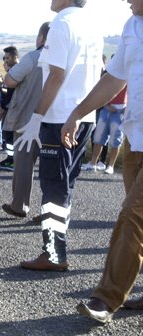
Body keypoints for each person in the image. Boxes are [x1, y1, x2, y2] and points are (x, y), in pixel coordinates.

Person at [64, 0, 143, 323]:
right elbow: (114, 79)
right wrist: (77, 113)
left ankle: (105, 299)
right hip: (135, 139)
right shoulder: (131, 27)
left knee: (132, 214)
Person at [14, 0, 104, 271]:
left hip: (58, 117)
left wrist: (37, 116)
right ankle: (56, 249)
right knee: (66, 184)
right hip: (83, 115)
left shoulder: (62, 23)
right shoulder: (92, 25)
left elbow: (56, 76)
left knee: (53, 187)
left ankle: (54, 254)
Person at [0, 22, 50, 219]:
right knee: (51, 169)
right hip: (53, 121)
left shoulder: (33, 57)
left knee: (23, 165)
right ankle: (50, 213)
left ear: (40, 38)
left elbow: (9, 80)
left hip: (27, 119)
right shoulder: (64, 59)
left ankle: (20, 205)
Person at [79, 82, 127, 174]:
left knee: (115, 140)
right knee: (98, 137)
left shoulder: (128, 75)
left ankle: (111, 166)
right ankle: (93, 163)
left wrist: (126, 109)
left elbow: (133, 93)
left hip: (121, 110)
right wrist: (106, 105)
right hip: (106, 109)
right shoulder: (109, 74)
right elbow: (102, 91)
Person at [0, 47, 21, 170]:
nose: (6, 60)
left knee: (10, 134)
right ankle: (10, 158)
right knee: (7, 134)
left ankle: (14, 161)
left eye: (8, 58)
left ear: (15, 57)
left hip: (14, 108)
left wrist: (3, 108)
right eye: (4, 58)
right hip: (9, 107)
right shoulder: (12, 71)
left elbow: (11, 93)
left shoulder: (18, 71)